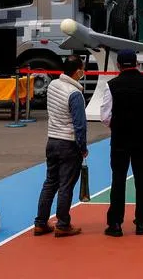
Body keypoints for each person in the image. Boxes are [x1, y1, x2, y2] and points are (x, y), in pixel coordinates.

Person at [101, 49, 143, 237]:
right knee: (142, 180)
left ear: (118, 65)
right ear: (137, 63)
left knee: (118, 180)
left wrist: (118, 126)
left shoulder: (111, 85)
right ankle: (142, 222)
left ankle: (115, 224)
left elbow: (105, 116)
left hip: (120, 138)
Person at [33, 55, 88, 238]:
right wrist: (83, 147)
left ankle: (40, 222)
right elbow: (80, 125)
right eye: (82, 69)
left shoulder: (54, 86)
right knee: (66, 185)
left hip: (52, 140)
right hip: (68, 143)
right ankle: (63, 224)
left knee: (50, 183)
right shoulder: (75, 94)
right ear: (78, 71)